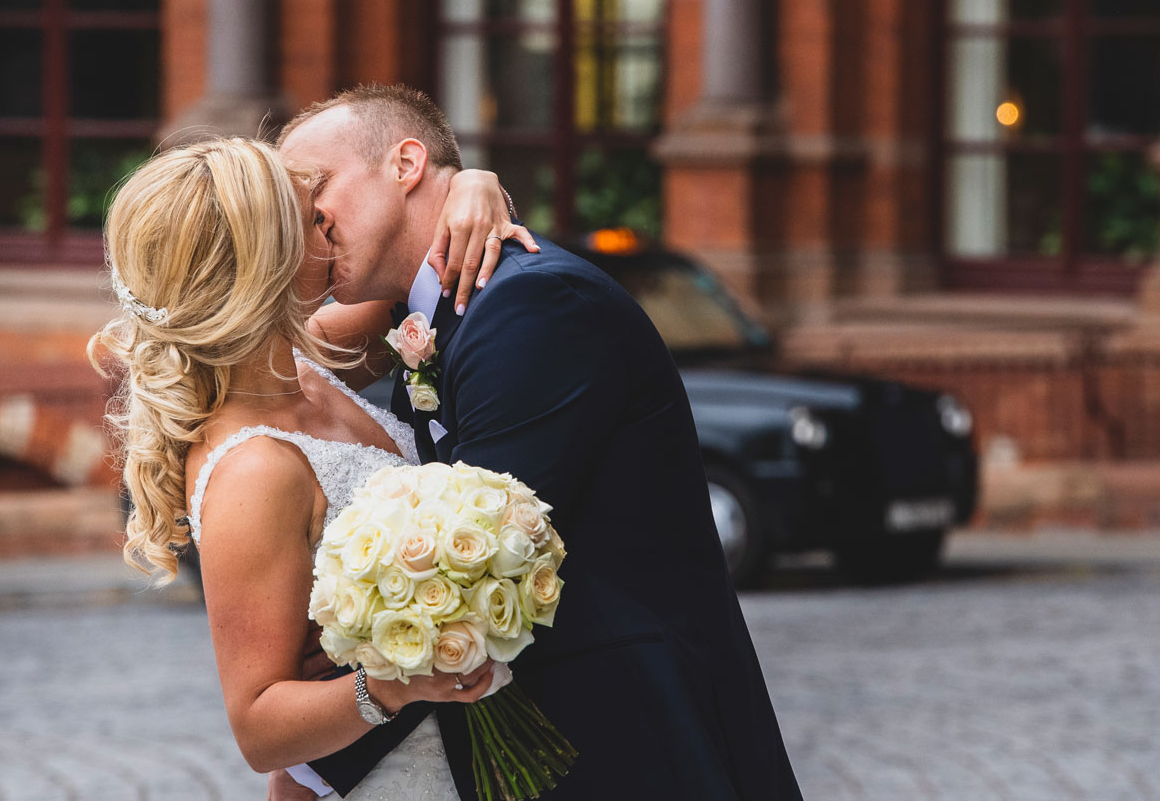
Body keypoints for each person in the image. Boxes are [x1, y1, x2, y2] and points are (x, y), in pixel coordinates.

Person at [275, 84, 803, 800]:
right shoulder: (422, 315)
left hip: (630, 737)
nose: (308, 220)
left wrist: (307, 765)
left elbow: (468, 569)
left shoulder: (531, 305)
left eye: (317, 190)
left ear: (405, 164)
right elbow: (270, 358)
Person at [90, 136, 534, 800]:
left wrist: (471, 184)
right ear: (266, 262)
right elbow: (259, 728)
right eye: (316, 218)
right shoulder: (253, 473)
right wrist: (394, 683)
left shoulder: (308, 359)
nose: (335, 223)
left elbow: (426, 264)